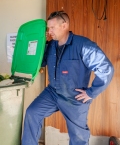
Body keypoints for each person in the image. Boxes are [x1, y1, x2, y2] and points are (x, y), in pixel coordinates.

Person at [21, 11, 114, 145]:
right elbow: (40, 63)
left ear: (64, 25)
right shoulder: (51, 45)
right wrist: (39, 44)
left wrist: (91, 92)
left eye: (52, 28)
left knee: (79, 137)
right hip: (52, 92)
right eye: (48, 28)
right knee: (32, 113)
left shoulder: (83, 45)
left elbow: (106, 68)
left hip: (74, 97)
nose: (49, 31)